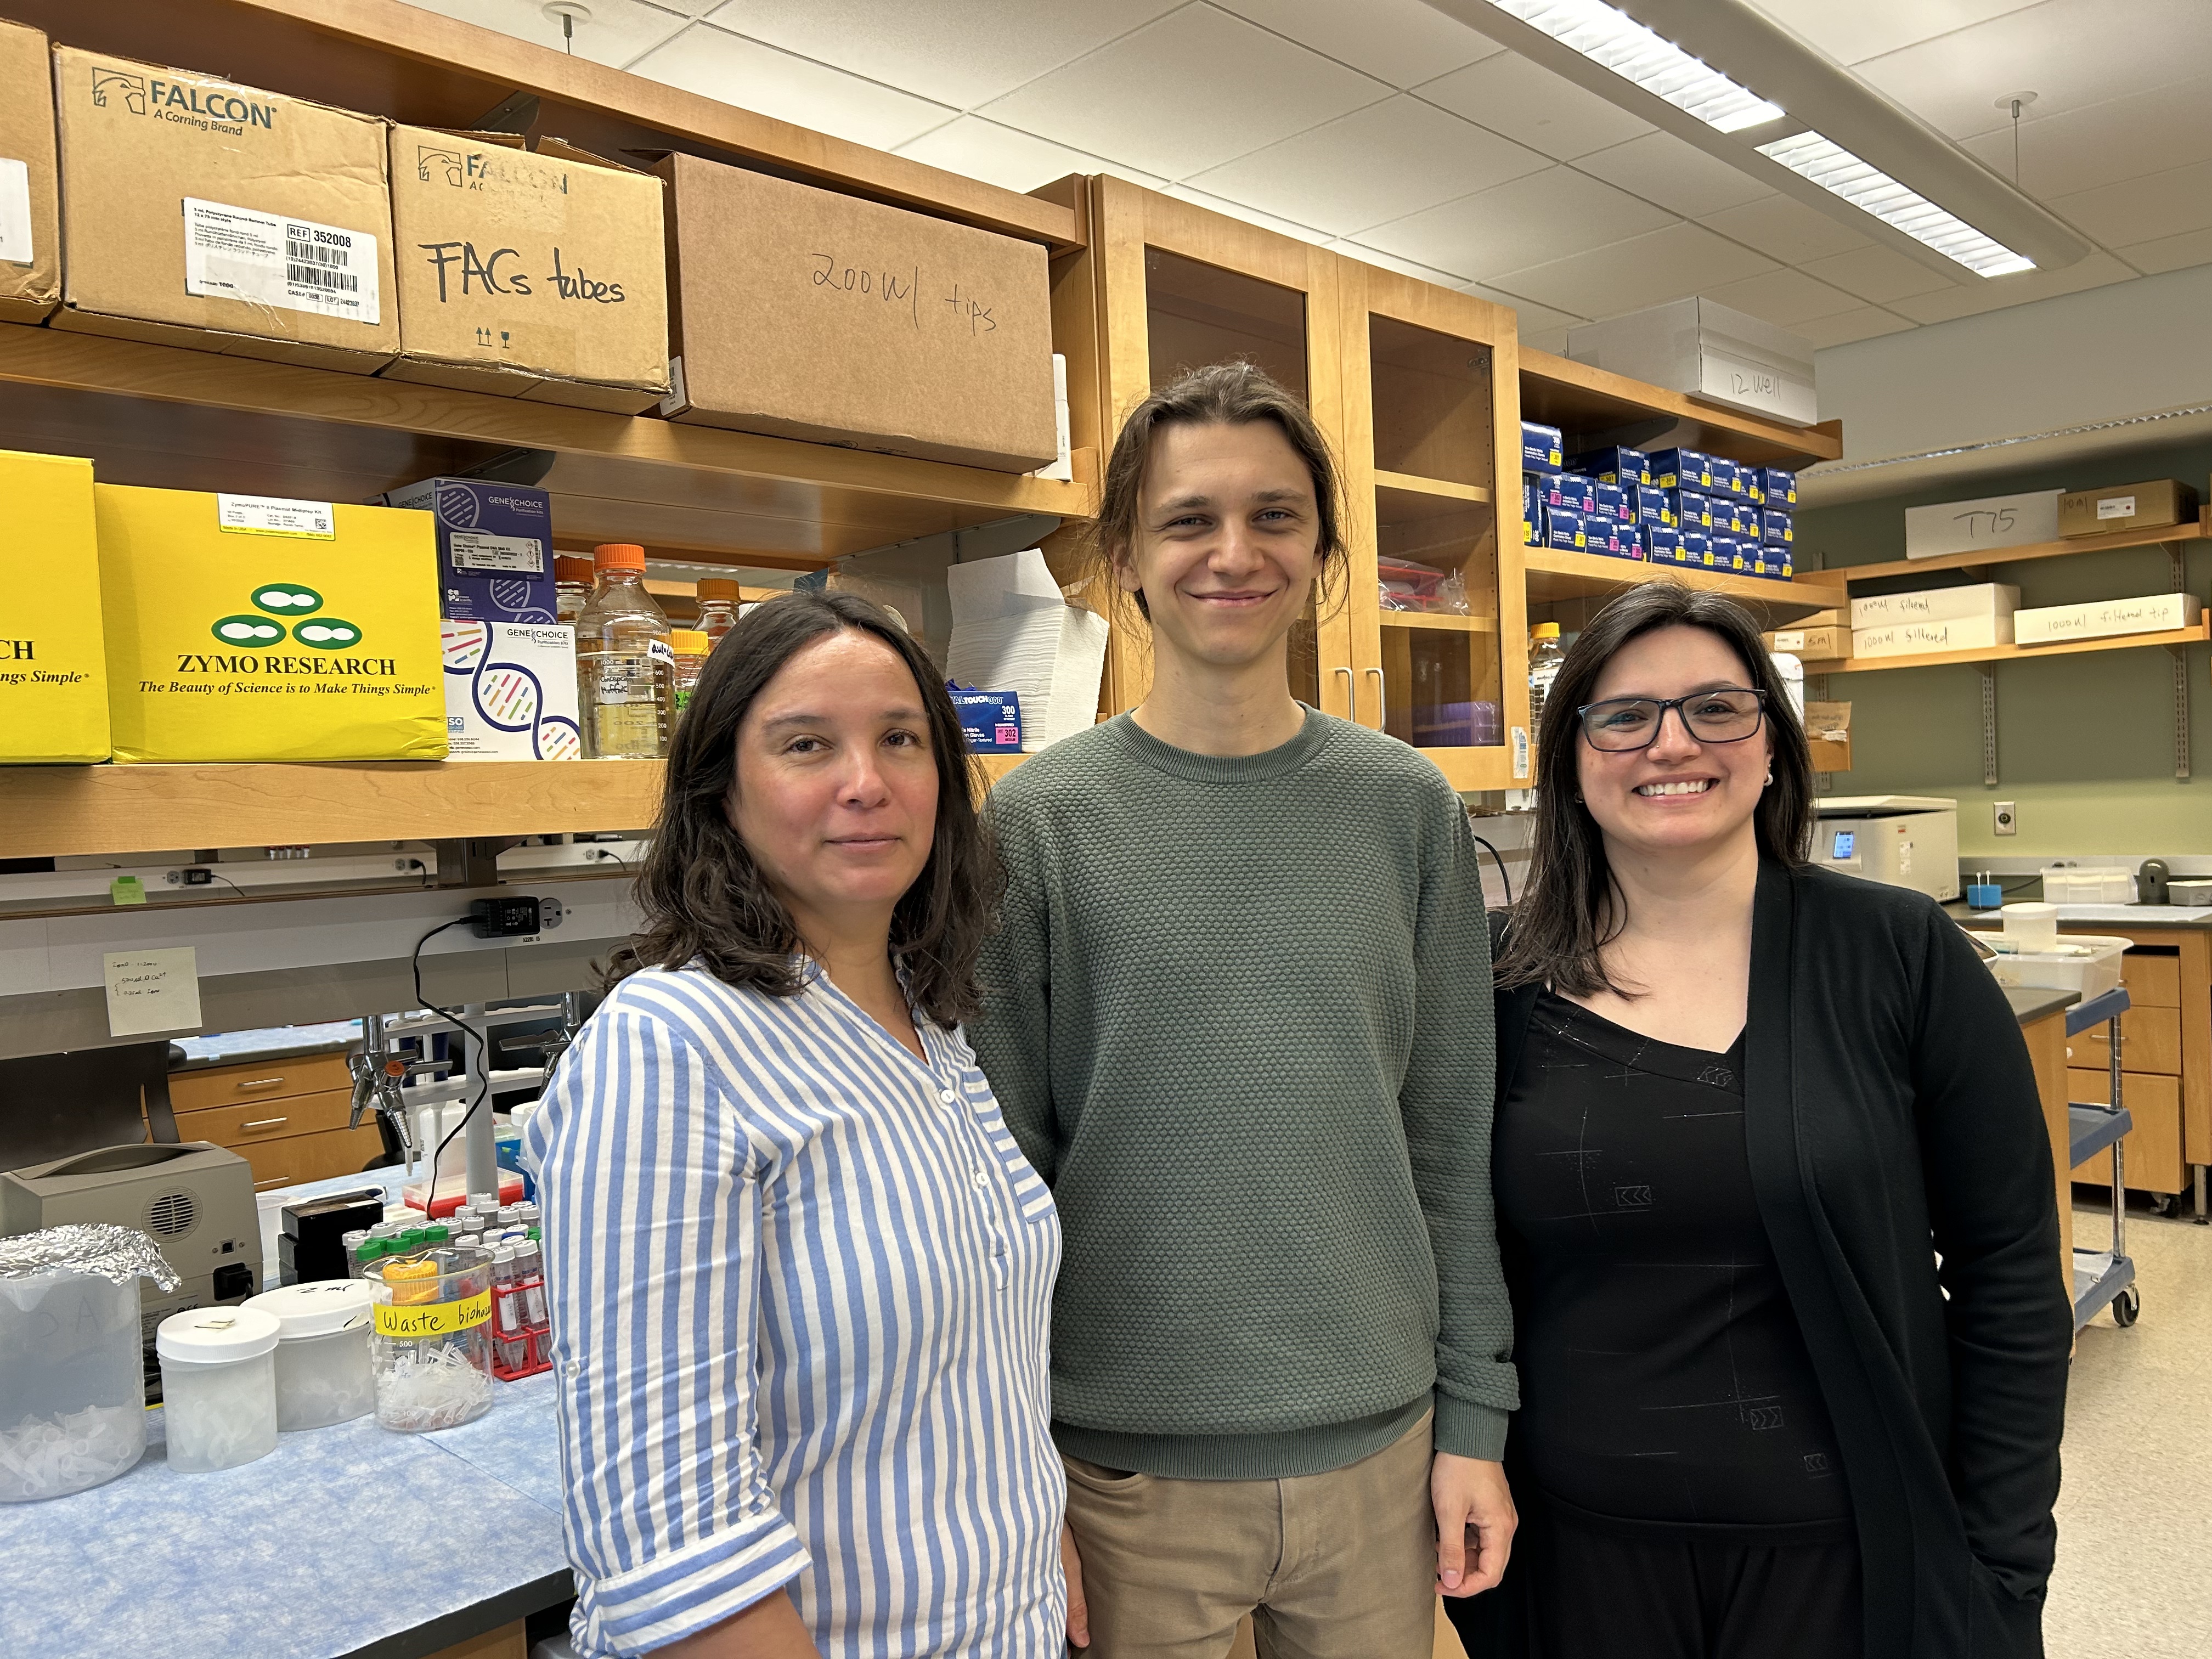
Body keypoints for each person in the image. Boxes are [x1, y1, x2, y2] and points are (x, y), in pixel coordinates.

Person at [968, 360, 1519, 1659]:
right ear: (1124, 558)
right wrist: (1015, 1471)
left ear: (1322, 553)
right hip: (1122, 1478)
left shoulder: (1408, 809)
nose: (1234, 553)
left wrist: (1476, 1422)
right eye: (1188, 520)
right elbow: (999, 1185)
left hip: (1382, 1457)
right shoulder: (1037, 826)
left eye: (1275, 516)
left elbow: (1451, 1144)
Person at [1449, 583, 2070, 1659]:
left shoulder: (1897, 953)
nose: (1671, 743)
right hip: (1574, 1561)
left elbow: (2009, 1275)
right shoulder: (1497, 980)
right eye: (1624, 715)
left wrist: (2004, 1566)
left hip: (1848, 1559)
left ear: (1773, 746)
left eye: (1716, 709)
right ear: (1573, 759)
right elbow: (1453, 1256)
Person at [524, 590, 1066, 1659]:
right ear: (721, 791)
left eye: (900, 739)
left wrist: (1035, 1531)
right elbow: (675, 1549)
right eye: (807, 744)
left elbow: (968, 1379)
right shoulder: (669, 1049)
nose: (866, 782)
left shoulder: (928, 1018)